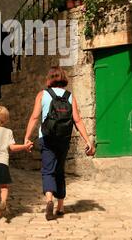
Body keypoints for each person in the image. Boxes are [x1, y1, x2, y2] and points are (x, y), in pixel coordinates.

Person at [24, 66, 95, 221]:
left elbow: (35, 117)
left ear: (49, 79)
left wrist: (27, 137)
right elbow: (77, 120)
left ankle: (49, 199)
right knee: (60, 171)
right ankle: (60, 207)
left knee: (48, 170)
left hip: (47, 137)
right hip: (63, 138)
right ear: (63, 78)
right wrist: (88, 140)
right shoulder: (70, 96)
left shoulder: (42, 95)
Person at [0, 105, 33, 219]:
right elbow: (12, 148)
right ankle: (3, 201)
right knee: (4, 186)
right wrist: (24, 146)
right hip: (3, 162)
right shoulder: (8, 132)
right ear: (6, 119)